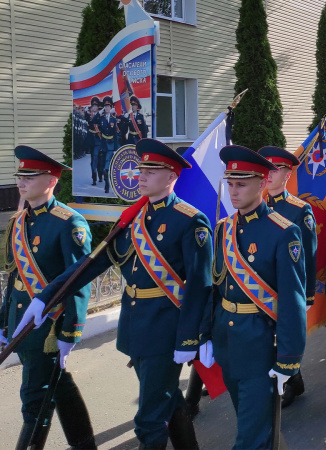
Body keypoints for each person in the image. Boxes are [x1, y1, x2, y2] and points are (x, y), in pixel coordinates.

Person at [28, 139, 211, 449]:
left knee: (149, 422)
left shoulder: (190, 221)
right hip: (135, 329)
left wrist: (190, 339)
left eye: (151, 170)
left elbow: (199, 286)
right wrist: (47, 296)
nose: (141, 174)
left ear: (171, 176)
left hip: (167, 333)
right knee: (167, 398)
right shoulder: (131, 221)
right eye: (142, 168)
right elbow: (88, 266)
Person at [198, 145, 306, 448]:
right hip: (227, 343)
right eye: (230, 183)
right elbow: (214, 288)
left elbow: (292, 300)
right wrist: (206, 334)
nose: (233, 191)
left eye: (241, 184)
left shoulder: (284, 232)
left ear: (262, 182)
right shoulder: (222, 230)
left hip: (261, 346)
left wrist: (288, 359)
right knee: (259, 428)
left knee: (249, 439)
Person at [3, 146, 96, 449]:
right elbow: (15, 279)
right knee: (60, 387)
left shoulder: (70, 223)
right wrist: (3, 324)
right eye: (20, 175)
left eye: (30, 176)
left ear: (51, 180)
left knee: (35, 399)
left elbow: (78, 281)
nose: (21, 182)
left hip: (48, 329)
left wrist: (69, 333)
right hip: (21, 323)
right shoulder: (18, 223)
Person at [259, 145, 318, 406]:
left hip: (286, 287)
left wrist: (306, 295)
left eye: (277, 169)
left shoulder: (299, 210)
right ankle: (294, 379)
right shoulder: (255, 206)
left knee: (284, 335)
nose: (270, 174)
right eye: (267, 168)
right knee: (267, 338)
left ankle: (290, 382)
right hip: (259, 285)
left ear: (287, 174)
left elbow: (308, 254)